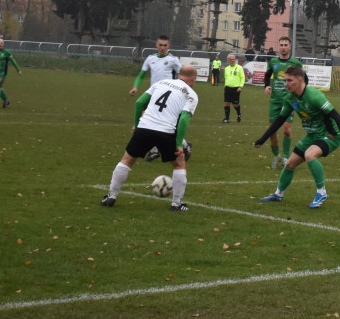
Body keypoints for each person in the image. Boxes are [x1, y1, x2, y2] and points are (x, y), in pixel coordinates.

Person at [101, 65, 199, 211]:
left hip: (145, 127)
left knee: (127, 161)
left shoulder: (161, 83)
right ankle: (177, 203)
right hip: (166, 132)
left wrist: (136, 124)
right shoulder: (191, 94)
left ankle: (111, 195)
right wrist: (179, 143)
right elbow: (184, 118)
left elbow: (139, 103)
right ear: (193, 79)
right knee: (179, 164)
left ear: (180, 75)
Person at [255, 65, 340, 208]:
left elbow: (336, 115)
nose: (286, 84)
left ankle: (322, 192)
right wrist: (262, 139)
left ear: (300, 80)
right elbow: (279, 120)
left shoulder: (314, 95)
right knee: (289, 164)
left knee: (309, 154)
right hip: (312, 135)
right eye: (285, 80)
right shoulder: (290, 98)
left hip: (330, 135)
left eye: (290, 80)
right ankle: (278, 194)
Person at [265, 36, 303, 168]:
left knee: (287, 130)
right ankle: (277, 156)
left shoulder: (296, 64)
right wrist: (267, 85)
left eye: (286, 44)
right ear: (278, 46)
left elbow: (303, 80)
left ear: (290, 46)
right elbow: (267, 74)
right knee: (272, 131)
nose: (283, 47)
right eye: (281, 44)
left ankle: (286, 157)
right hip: (275, 101)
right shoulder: (273, 61)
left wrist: (298, 96)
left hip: (289, 101)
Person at [222, 53, 245, 123]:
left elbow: (242, 77)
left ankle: (239, 114)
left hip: (236, 89)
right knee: (226, 103)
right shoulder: (226, 69)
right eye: (231, 59)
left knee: (235, 104)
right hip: (228, 88)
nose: (232, 60)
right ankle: (227, 118)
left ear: (235, 60)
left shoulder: (239, 68)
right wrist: (225, 86)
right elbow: (226, 78)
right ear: (228, 60)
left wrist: (240, 86)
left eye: (233, 59)